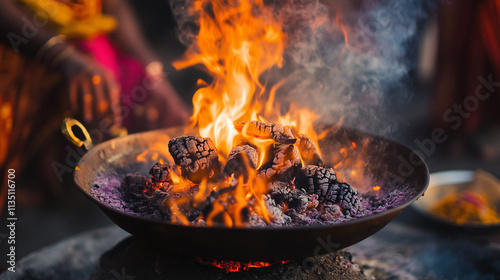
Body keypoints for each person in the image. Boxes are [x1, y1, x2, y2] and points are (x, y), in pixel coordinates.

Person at [0, 0, 190, 208]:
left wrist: (153, 74)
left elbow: (114, 5)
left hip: (95, 49)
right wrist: (59, 55)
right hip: (20, 49)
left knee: (168, 118)